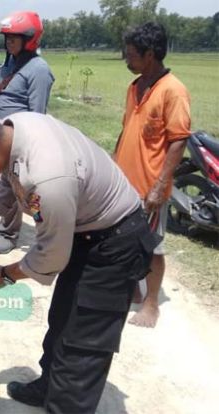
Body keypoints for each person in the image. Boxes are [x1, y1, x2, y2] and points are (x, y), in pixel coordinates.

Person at [0, 108, 155, 413]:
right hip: (85, 232)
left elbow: (52, 255)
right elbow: (7, 184)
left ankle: (65, 405)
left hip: (115, 243)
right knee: (63, 320)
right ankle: (49, 386)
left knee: (83, 345)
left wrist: (5, 274)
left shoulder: (47, 177)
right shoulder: (14, 130)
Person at [114, 22, 191, 328]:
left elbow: (178, 139)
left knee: (152, 247)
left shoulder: (173, 91)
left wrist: (160, 186)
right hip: (125, 185)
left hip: (151, 189)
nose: (125, 59)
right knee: (125, 241)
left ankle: (151, 304)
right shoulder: (135, 88)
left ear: (149, 54)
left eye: (130, 54)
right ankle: (131, 288)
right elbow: (126, 130)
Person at [0, 10, 55, 250]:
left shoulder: (39, 69)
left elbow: (37, 112)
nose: (9, 42)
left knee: (11, 183)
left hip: (16, 138)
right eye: (7, 38)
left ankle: (9, 234)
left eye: (15, 38)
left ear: (29, 39)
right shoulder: (11, 63)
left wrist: (28, 145)